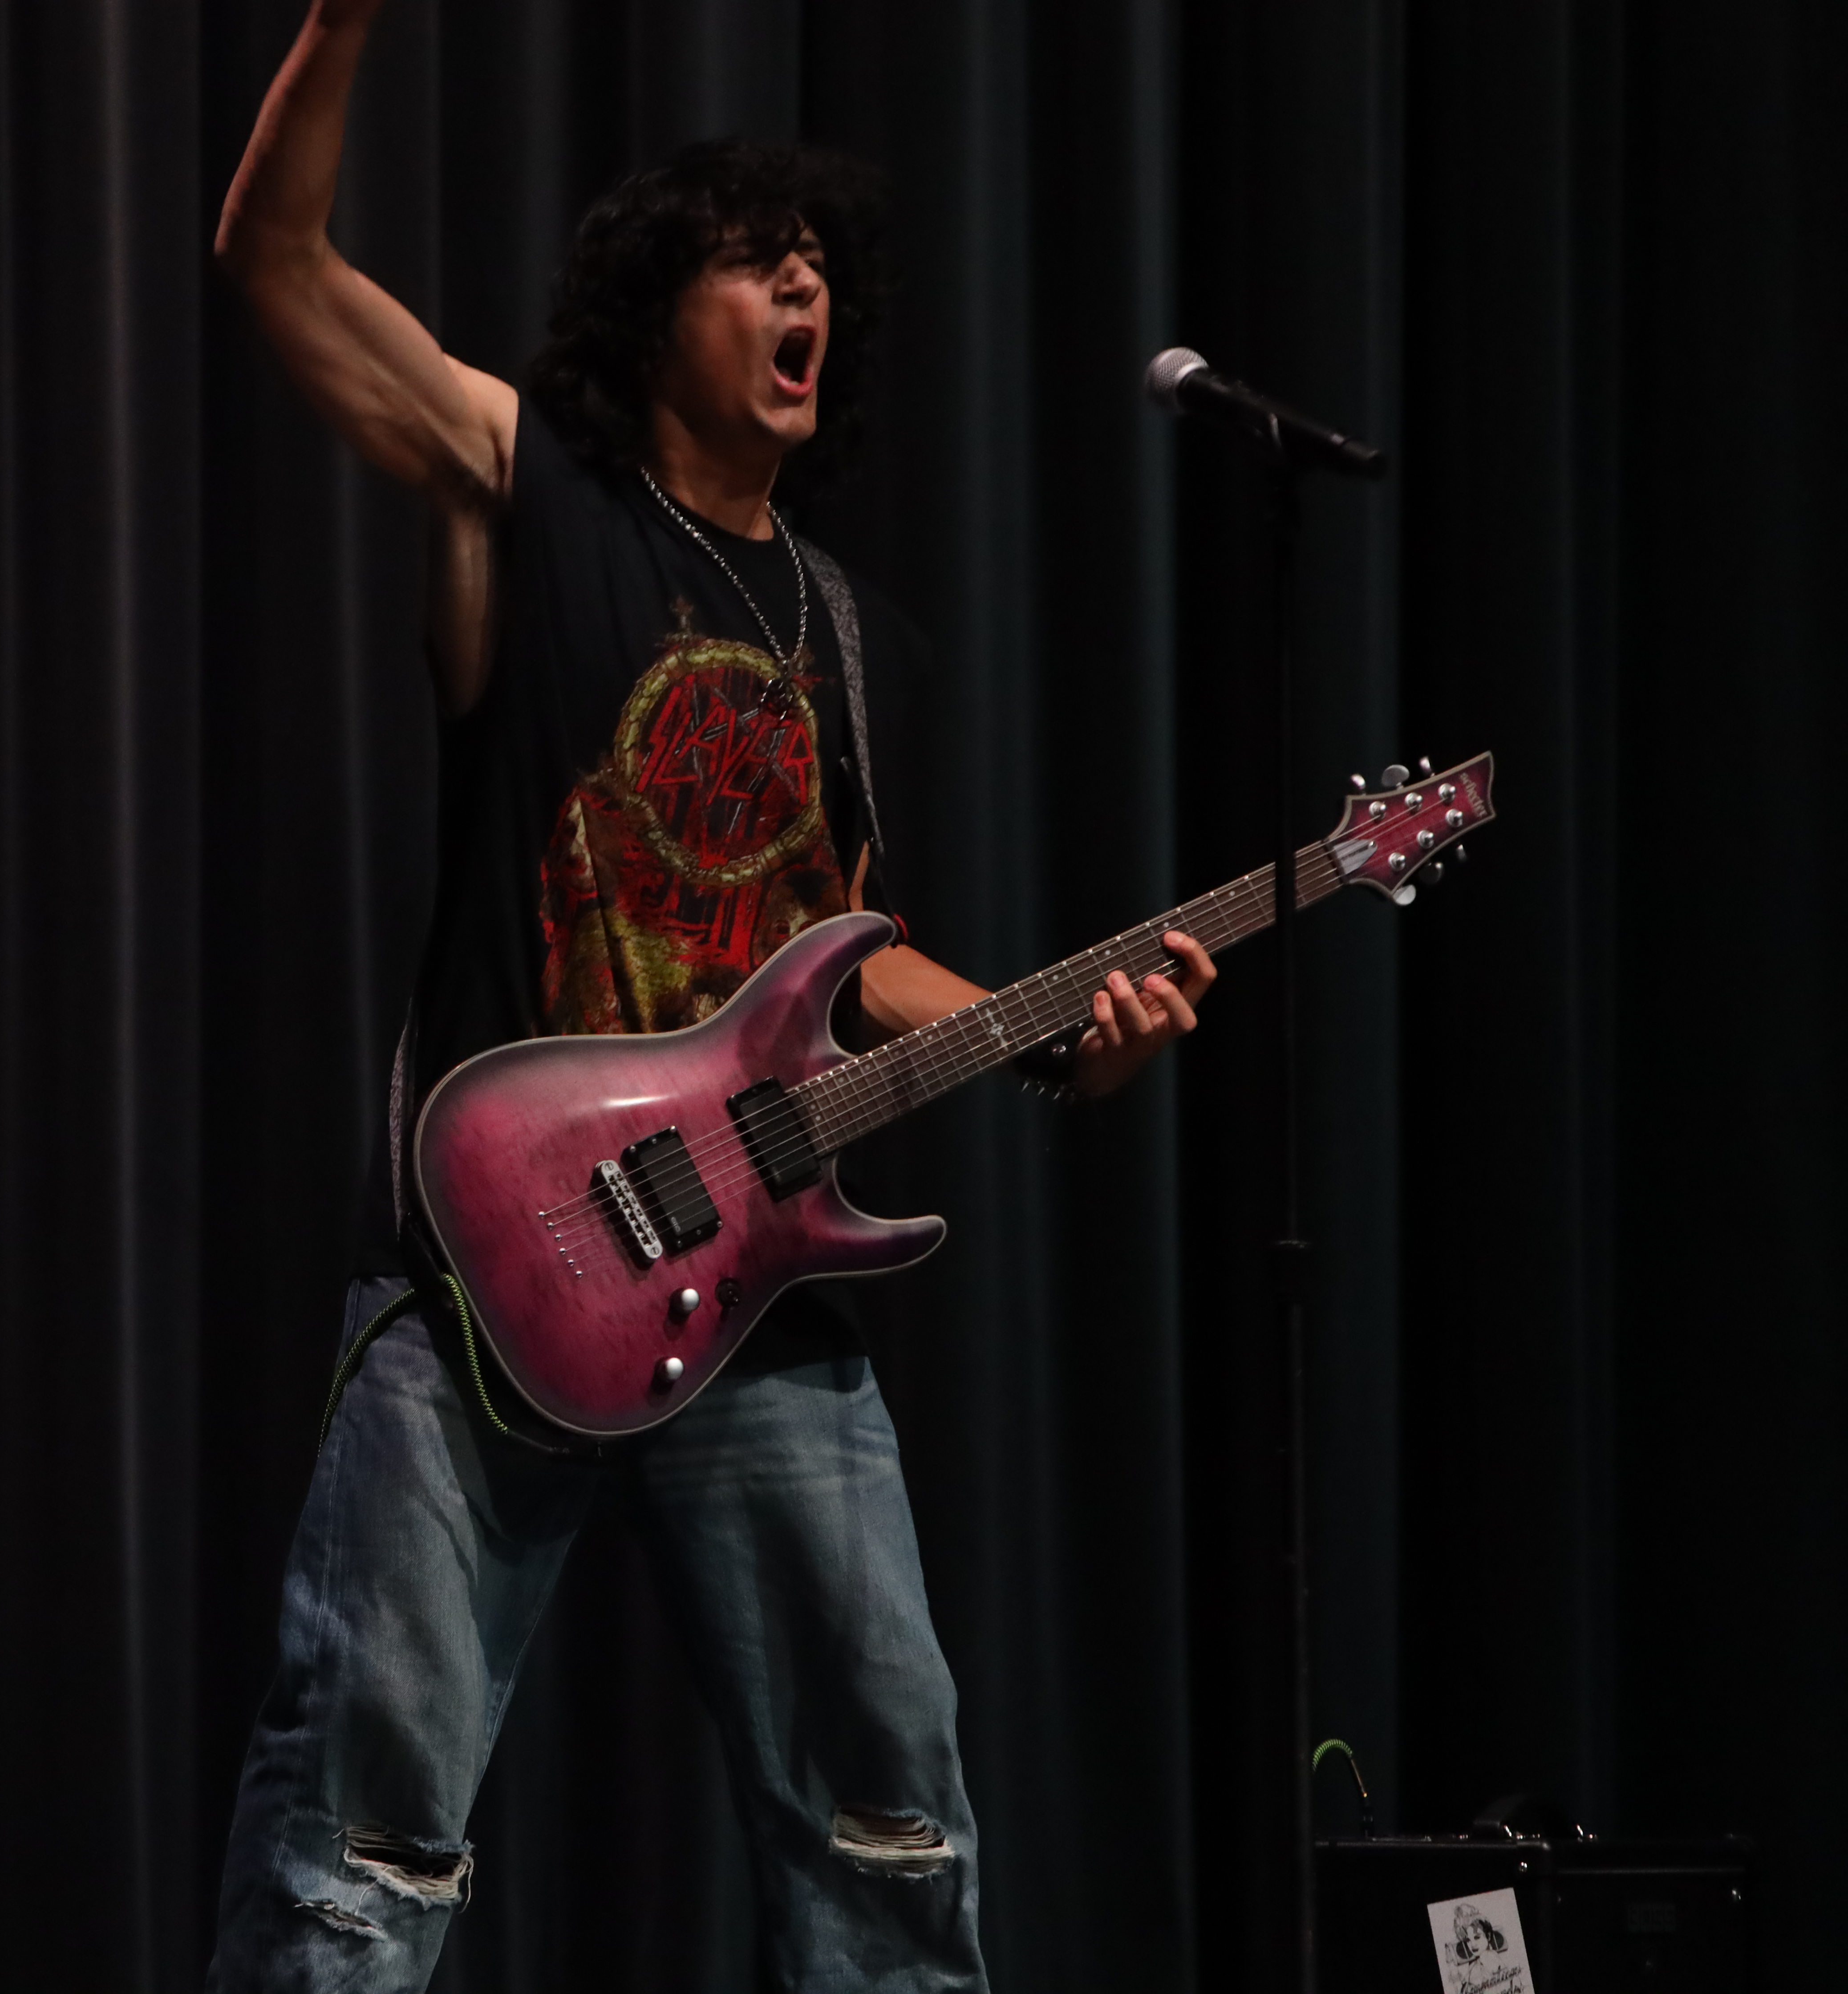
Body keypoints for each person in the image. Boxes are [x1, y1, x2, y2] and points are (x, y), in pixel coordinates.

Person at [205, 5, 1218, 1988]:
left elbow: (847, 954)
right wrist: (340, 28)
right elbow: (276, 263)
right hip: (493, 1274)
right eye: (761, 262)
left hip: (756, 1298)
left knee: (889, 1831)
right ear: (655, 310)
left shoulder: (847, 633)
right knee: (362, 1844)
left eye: (820, 268)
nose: (804, 290)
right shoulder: (526, 486)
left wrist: (1057, 1039)